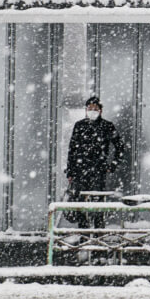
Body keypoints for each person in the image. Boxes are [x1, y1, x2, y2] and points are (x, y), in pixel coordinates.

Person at [65, 95, 126, 229]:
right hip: (80, 172)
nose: (92, 111)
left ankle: (98, 237)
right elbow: (72, 150)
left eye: (95, 108)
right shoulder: (79, 125)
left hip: (99, 172)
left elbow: (120, 146)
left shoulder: (107, 126)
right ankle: (84, 236)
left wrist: (113, 165)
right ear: (86, 110)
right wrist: (70, 171)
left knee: (98, 205)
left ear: (100, 110)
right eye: (89, 108)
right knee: (81, 205)